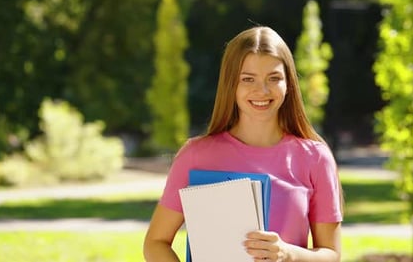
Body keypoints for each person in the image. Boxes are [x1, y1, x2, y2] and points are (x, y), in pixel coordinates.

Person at [143, 26, 343, 262]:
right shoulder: (196, 156)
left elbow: (331, 255)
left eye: (274, 78)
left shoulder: (315, 158)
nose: (262, 90)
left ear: (288, 84)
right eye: (248, 79)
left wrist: (288, 254)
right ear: (231, 84)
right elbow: (155, 243)